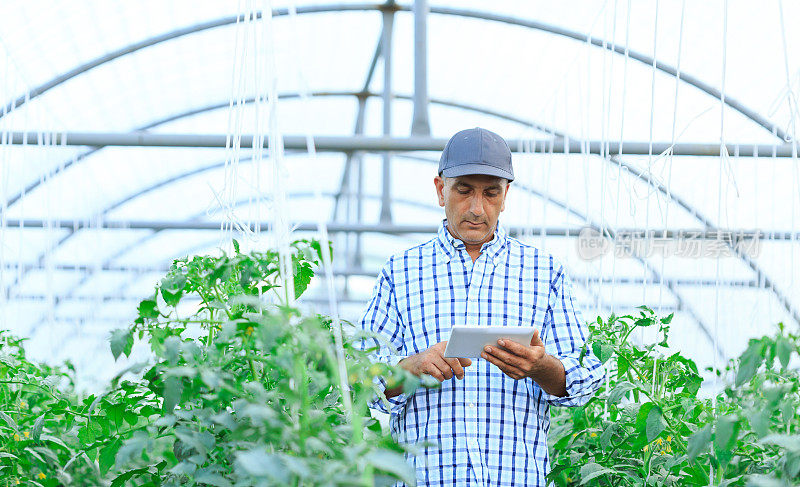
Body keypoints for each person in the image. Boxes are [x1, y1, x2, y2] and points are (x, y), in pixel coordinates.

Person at [358, 127, 604, 487]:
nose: (477, 208)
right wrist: (410, 367)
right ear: (441, 190)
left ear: (505, 196)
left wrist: (540, 366)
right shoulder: (401, 271)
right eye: (463, 190)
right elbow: (359, 379)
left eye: (491, 193)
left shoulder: (543, 272)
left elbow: (585, 378)